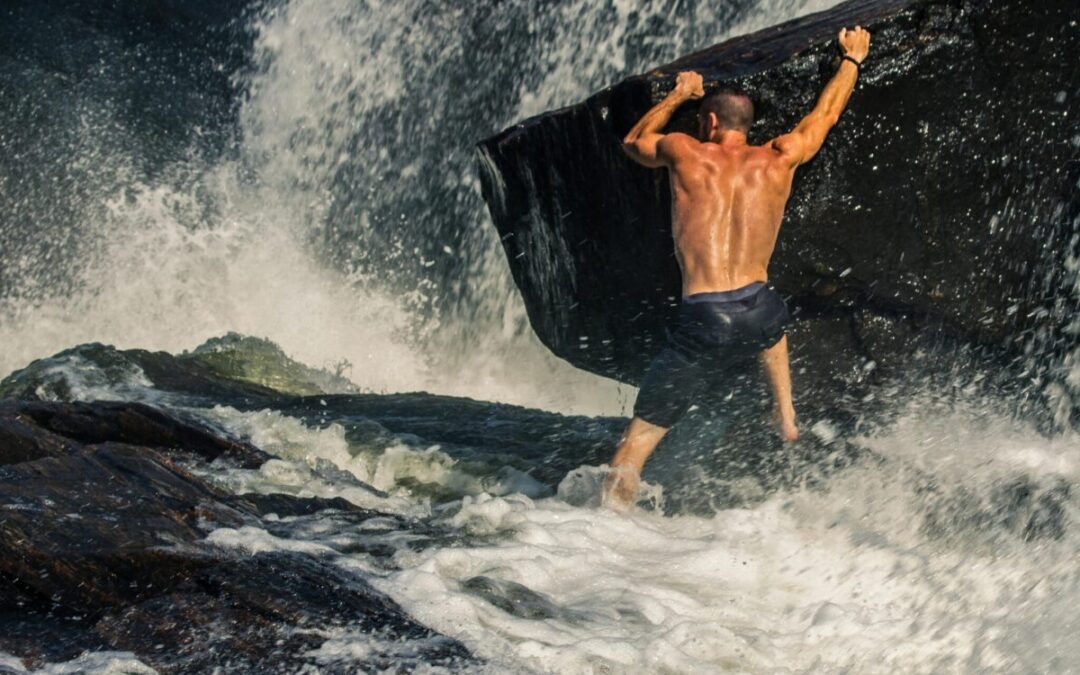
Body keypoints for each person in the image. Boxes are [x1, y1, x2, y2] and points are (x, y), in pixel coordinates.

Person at [603, 26, 872, 509]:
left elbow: (633, 141)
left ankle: (604, 528)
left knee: (632, 448)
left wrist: (677, 94)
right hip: (761, 310)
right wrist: (851, 60)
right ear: (748, 125)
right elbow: (825, 116)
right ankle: (785, 413)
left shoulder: (685, 152)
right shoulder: (780, 157)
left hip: (705, 318)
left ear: (708, 121)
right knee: (770, 318)